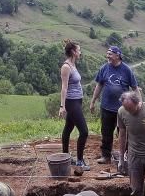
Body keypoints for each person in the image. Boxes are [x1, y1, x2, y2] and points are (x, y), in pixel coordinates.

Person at [90, 45, 139, 165]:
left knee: (124, 133)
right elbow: (99, 85)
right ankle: (106, 156)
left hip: (123, 109)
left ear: (118, 55)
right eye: (107, 54)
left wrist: (139, 103)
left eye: (110, 54)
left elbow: (135, 88)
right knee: (106, 132)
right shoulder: (104, 68)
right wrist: (93, 101)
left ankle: (127, 156)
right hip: (106, 107)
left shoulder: (127, 70)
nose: (108, 56)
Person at [58, 40, 90, 170]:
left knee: (68, 128)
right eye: (79, 50)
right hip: (71, 102)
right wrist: (62, 106)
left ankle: (66, 156)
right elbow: (64, 88)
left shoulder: (73, 65)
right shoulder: (66, 67)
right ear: (73, 52)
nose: (80, 52)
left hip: (77, 100)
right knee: (84, 131)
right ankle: (79, 161)